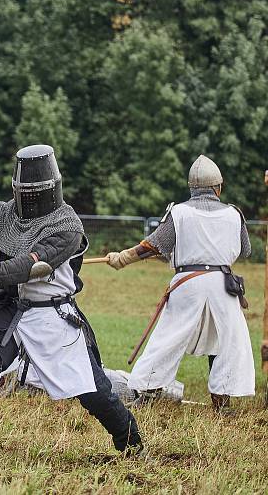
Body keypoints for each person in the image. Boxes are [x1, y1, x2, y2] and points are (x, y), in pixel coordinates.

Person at [0, 144, 142, 458]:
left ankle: (131, 443)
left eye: (34, 192)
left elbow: (31, 267)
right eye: (24, 192)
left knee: (94, 392)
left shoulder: (67, 227)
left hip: (53, 314)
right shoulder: (4, 213)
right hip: (6, 307)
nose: (29, 199)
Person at [105, 154, 255, 411]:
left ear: (192, 188)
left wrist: (123, 258)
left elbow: (153, 244)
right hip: (223, 285)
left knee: (168, 339)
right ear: (218, 187)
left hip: (189, 284)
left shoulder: (180, 212)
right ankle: (222, 403)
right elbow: (245, 250)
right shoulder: (234, 214)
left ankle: (149, 392)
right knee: (225, 342)